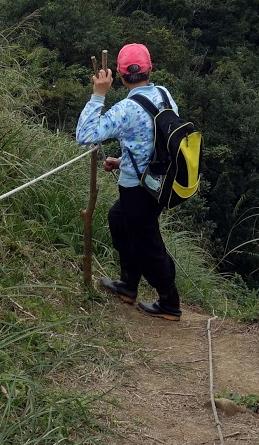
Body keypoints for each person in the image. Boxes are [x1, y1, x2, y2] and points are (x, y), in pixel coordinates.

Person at [75, 42, 181, 321]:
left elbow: (85, 135)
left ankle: (169, 302)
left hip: (138, 188)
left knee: (148, 243)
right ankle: (128, 284)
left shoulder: (126, 109)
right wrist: (122, 161)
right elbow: (155, 141)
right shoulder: (164, 95)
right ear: (150, 70)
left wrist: (98, 95)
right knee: (119, 219)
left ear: (121, 76)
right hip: (160, 181)